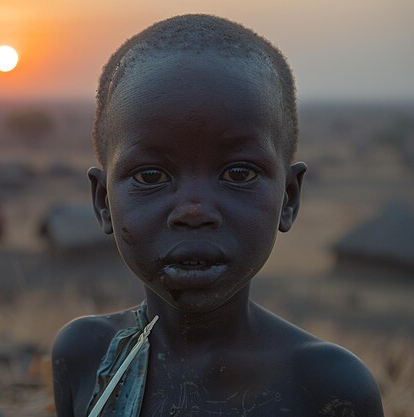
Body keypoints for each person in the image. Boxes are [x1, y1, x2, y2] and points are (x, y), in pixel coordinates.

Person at [51, 14, 384, 417]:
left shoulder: (326, 386)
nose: (194, 211)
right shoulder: (87, 355)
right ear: (103, 201)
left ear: (289, 198)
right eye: (151, 175)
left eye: (238, 173)